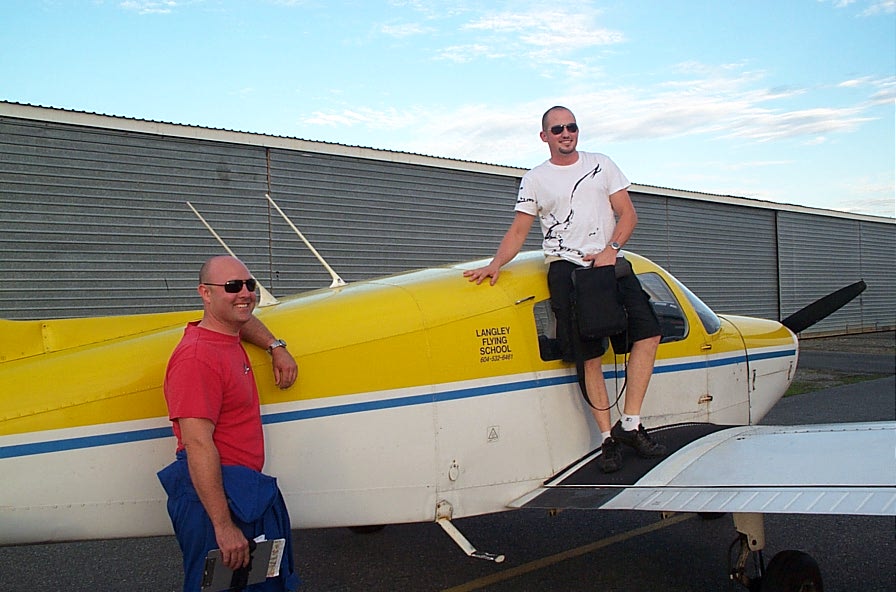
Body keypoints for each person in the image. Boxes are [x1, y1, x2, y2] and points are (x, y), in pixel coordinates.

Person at [464, 106, 666, 473]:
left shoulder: (601, 163)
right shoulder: (535, 178)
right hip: (566, 271)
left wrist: (612, 249)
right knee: (589, 356)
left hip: (609, 265)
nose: (566, 133)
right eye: (557, 129)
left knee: (648, 334)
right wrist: (495, 264)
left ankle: (630, 424)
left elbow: (628, 213)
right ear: (545, 136)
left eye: (571, 127)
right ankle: (607, 440)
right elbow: (519, 230)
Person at [157, 255, 301, 591]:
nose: (245, 293)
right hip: (217, 501)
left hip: (249, 496)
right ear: (205, 294)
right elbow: (197, 443)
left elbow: (241, 318)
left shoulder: (225, 333)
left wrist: (275, 346)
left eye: (249, 285)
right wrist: (223, 527)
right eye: (232, 286)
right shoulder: (197, 358)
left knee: (265, 584)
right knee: (223, 587)